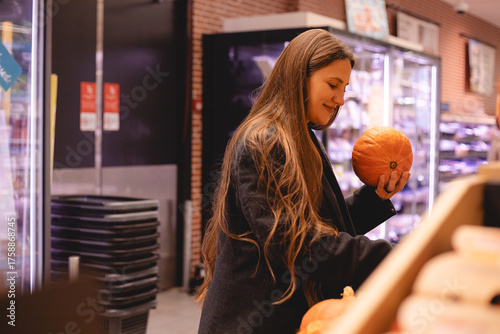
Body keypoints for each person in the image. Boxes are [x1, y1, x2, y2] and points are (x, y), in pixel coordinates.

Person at [196, 28, 411, 334]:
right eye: (333, 85)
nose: (340, 99)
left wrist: (374, 199)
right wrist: (393, 258)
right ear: (299, 76)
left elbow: (319, 223)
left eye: (344, 88)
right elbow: (299, 244)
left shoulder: (301, 137)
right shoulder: (264, 142)